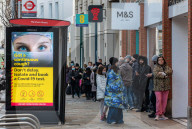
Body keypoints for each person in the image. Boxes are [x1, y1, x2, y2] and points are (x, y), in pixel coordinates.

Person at [104, 57, 127, 124]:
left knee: (119, 107)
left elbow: (119, 81)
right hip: (114, 93)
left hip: (118, 93)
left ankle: (119, 120)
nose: (118, 63)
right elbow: (111, 84)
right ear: (115, 63)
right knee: (114, 107)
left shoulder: (116, 71)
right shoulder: (112, 72)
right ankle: (111, 119)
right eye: (117, 62)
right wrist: (119, 88)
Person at [153, 56, 173, 121]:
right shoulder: (156, 67)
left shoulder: (167, 66)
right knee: (159, 100)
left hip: (166, 86)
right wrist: (164, 76)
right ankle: (158, 114)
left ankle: (162, 114)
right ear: (157, 61)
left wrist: (162, 73)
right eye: (159, 60)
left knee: (164, 101)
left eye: (162, 60)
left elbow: (170, 71)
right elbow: (156, 74)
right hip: (158, 87)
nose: (161, 61)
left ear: (164, 60)